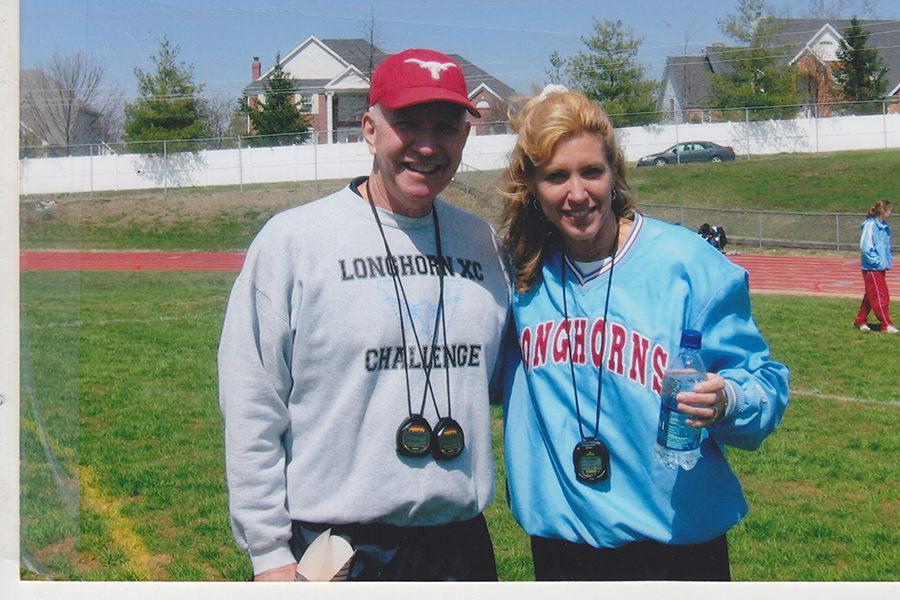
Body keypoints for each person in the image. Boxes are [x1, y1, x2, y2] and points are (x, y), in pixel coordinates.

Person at [218, 48, 510, 582]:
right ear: (370, 129)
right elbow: (252, 401)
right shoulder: (296, 241)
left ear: (465, 137)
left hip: (460, 546)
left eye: (445, 127)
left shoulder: (483, 243)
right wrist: (267, 552)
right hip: (338, 552)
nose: (426, 145)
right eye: (406, 124)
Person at [499, 87, 790, 581]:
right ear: (531, 187)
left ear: (615, 173)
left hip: (677, 548)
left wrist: (730, 400)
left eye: (591, 171)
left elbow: (766, 382)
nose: (577, 193)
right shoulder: (521, 274)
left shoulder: (689, 265)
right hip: (561, 552)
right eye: (555, 176)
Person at [853, 200, 896, 333]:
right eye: (889, 209)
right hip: (872, 268)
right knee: (880, 296)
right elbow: (865, 247)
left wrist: (886, 261)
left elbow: (885, 247)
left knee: (871, 295)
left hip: (880, 267)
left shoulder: (884, 226)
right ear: (882, 211)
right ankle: (886, 324)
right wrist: (876, 261)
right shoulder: (870, 225)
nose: (891, 212)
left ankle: (860, 321)